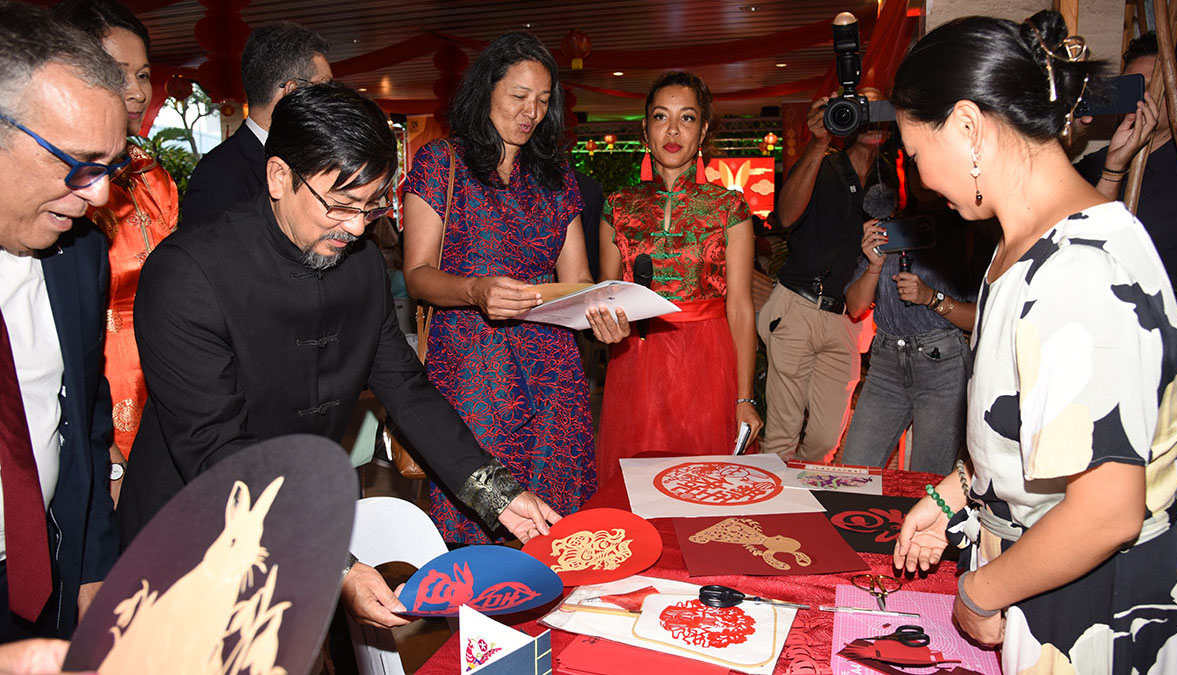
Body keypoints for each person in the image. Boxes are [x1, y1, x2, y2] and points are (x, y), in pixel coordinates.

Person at [119, 82, 562, 629]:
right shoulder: (189, 273)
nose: (357, 228)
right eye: (341, 205)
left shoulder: (360, 267)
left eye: (371, 205)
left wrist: (495, 492)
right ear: (279, 176)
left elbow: (407, 388)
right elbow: (217, 452)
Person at [891, 11, 1177, 672]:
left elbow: (1104, 510)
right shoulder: (1021, 245)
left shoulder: (1078, 265)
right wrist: (953, 494)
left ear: (969, 127)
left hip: (1097, 608)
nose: (922, 181)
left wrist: (980, 588)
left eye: (918, 155)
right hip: (1053, 588)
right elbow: (1036, 428)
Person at [403, 32, 628, 544]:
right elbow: (417, 275)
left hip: (554, 374)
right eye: (519, 96)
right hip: (473, 369)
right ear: (487, 91)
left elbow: (579, 283)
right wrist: (475, 291)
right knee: (482, 524)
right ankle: (480, 624)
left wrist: (603, 317)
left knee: (558, 530)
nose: (531, 112)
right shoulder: (443, 164)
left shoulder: (556, 179)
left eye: (543, 101)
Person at [0, 0, 126, 639]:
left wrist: (92, 570)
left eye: (111, 166)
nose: (100, 194)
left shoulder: (78, 258)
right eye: (79, 164)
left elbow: (84, 418)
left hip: (44, 577)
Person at [594, 71, 761, 484]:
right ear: (645, 130)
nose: (672, 130)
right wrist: (602, 324)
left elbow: (740, 307)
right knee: (633, 489)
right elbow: (605, 298)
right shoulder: (617, 205)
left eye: (686, 118)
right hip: (635, 360)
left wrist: (745, 397)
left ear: (703, 130)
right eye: (660, 117)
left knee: (707, 491)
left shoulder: (729, 207)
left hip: (710, 364)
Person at [52, 0, 178, 498]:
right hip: (94, 397)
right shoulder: (59, 189)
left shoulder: (152, 177)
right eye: (116, 72)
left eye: (143, 73)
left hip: (167, 385)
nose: (136, 90)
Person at [756, 89, 892, 461]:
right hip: (797, 306)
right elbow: (785, 216)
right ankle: (775, 517)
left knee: (825, 442)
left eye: (878, 108)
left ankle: (805, 506)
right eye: (860, 108)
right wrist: (817, 145)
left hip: (847, 319)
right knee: (782, 439)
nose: (869, 117)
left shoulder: (892, 182)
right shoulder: (824, 165)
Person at [840, 188, 982, 474]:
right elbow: (855, 308)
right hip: (886, 364)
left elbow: (980, 318)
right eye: (913, 162)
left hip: (942, 366)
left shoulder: (967, 228)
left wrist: (931, 297)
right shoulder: (888, 228)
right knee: (854, 473)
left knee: (926, 481)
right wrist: (873, 265)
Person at [1074, 31, 1177, 287]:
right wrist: (1069, 132)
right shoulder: (1098, 160)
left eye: (1152, 88)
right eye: (1132, 86)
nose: (1137, 100)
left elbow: (1103, 251)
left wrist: (1113, 171)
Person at [179, 21, 331, 227]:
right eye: (323, 89)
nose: (331, 101)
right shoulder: (219, 174)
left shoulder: (313, 161)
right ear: (293, 93)